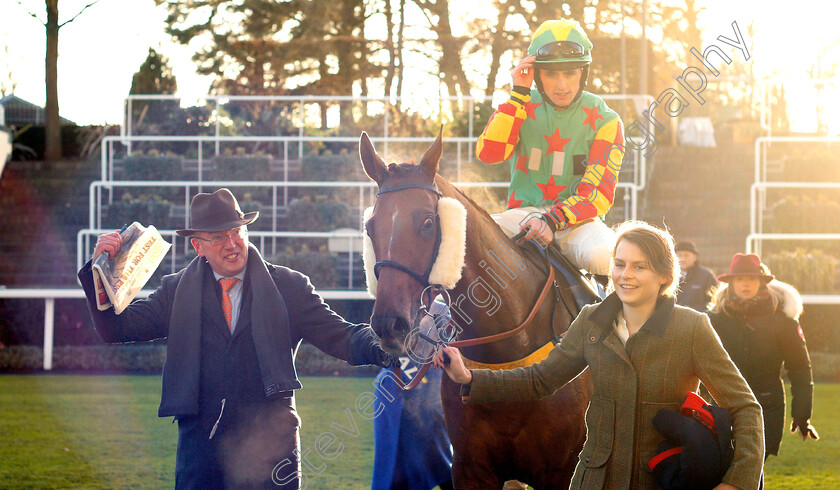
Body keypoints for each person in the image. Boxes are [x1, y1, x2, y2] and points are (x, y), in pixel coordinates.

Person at [78, 188, 395, 489]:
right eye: (218, 237)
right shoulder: (175, 291)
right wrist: (98, 268)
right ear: (198, 246)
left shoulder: (290, 286)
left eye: (236, 232)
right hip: (200, 451)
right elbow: (115, 329)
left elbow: (341, 336)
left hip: (272, 448)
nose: (231, 244)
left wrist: (393, 344)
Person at [434, 221, 764, 489]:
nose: (625, 275)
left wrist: (738, 482)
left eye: (640, 267)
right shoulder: (592, 319)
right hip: (593, 481)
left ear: (665, 276)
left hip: (666, 479)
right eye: (619, 265)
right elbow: (540, 380)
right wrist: (469, 378)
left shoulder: (692, 328)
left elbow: (745, 406)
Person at [475, 18, 625, 276]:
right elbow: (488, 154)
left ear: (583, 73)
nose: (561, 85)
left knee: (607, 259)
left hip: (578, 222)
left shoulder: (607, 119)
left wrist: (553, 220)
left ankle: (616, 319)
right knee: (471, 243)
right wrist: (518, 96)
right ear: (536, 74)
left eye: (570, 73)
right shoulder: (520, 104)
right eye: (551, 74)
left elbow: (599, 192)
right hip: (523, 216)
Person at [708, 253, 819, 460]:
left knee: (751, 471)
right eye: (740, 279)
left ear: (761, 282)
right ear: (730, 283)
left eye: (751, 278)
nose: (746, 284)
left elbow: (800, 368)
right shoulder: (713, 320)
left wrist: (802, 416)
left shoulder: (783, 322)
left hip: (766, 408)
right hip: (721, 409)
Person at [675, 240, 718, 312]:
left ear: (695, 257)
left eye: (686, 255)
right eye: (679, 255)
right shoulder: (669, 276)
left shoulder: (706, 276)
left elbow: (713, 302)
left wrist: (692, 310)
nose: (682, 259)